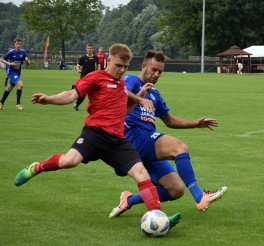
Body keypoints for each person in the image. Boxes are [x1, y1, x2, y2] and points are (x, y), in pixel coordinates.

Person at [13, 44, 181, 227]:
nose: (122, 70)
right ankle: (36, 168)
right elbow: (71, 95)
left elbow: (124, 110)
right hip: (95, 133)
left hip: (117, 140)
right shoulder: (95, 77)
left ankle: (158, 217)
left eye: (125, 67)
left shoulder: (122, 84)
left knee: (142, 173)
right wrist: (49, 99)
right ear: (109, 60)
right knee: (69, 161)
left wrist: (140, 96)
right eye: (119, 66)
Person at [108, 50, 227, 218]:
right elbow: (121, 92)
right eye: (153, 69)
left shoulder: (155, 94)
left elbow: (169, 120)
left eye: (160, 72)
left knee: (176, 189)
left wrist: (196, 123)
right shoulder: (132, 81)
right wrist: (139, 97)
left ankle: (128, 200)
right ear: (144, 66)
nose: (156, 74)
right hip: (133, 138)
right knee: (179, 147)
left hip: (147, 141)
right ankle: (200, 196)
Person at [0, 38, 30, 111]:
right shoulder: (11, 52)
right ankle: (18, 104)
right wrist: (9, 63)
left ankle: (1, 102)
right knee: (21, 85)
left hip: (17, 72)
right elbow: (1, 59)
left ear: (21, 44)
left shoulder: (23, 52)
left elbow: (28, 63)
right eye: (17, 44)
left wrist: (27, 61)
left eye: (19, 44)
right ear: (14, 44)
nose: (18, 45)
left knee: (9, 88)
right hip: (11, 72)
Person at [72, 43, 99, 111]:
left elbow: (98, 65)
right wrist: (78, 69)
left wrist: (98, 71)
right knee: (83, 94)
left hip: (93, 78)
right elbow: (78, 65)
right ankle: (76, 104)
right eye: (88, 48)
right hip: (84, 78)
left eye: (90, 48)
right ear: (86, 49)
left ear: (92, 49)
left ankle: (96, 107)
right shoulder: (83, 58)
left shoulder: (95, 58)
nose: (89, 50)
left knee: (95, 93)